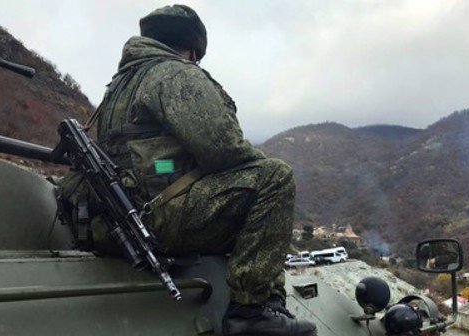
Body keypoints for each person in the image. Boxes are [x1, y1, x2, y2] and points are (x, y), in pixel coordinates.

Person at [84, 4, 316, 336]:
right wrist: (256, 162)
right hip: (159, 220)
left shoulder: (118, 87)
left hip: (120, 221)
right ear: (192, 48)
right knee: (275, 177)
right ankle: (251, 311)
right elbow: (223, 148)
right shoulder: (173, 73)